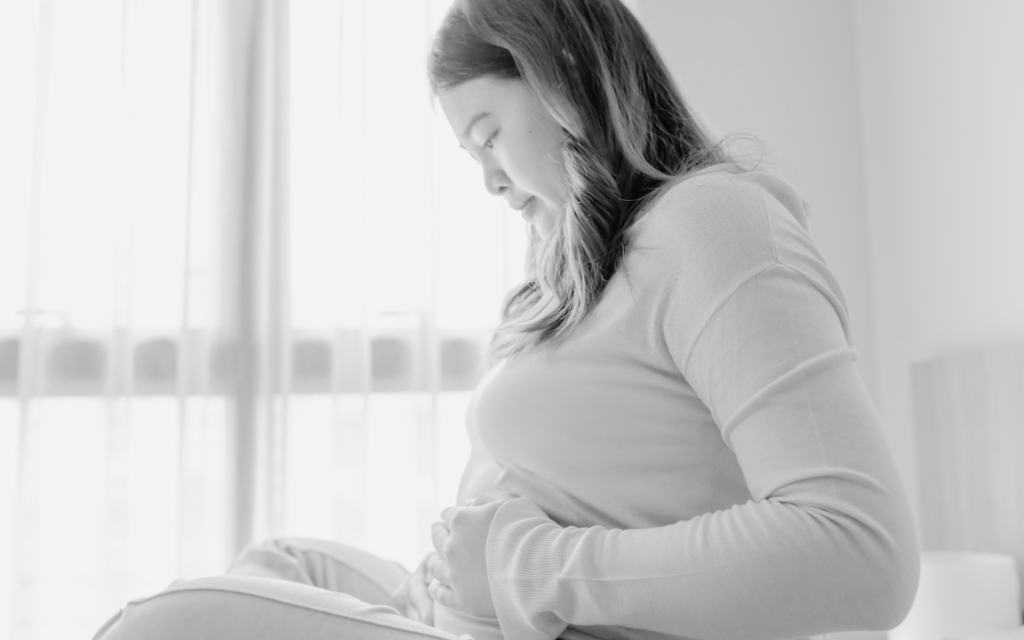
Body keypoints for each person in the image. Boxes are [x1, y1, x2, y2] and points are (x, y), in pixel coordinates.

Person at [92, 0, 921, 639]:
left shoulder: (713, 221)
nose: (489, 181)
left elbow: (861, 549)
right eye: (469, 155)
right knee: (279, 563)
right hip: (475, 604)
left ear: (560, 77)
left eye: (488, 135)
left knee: (171, 625)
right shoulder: (575, 272)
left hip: (542, 613)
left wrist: (525, 567)